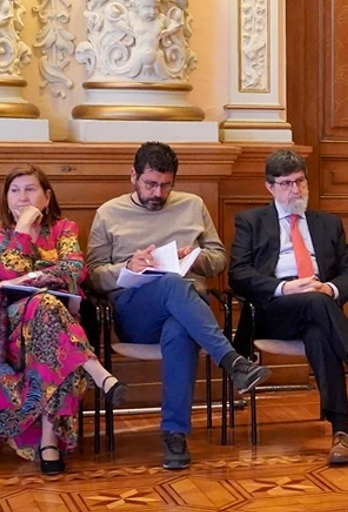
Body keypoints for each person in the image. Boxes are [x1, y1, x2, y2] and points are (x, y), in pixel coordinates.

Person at [87, 141, 270, 470]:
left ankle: (174, 435)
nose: (158, 192)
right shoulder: (108, 213)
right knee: (171, 283)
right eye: (150, 184)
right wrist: (127, 268)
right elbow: (94, 277)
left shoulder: (193, 205)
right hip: (135, 311)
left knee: (179, 329)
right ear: (133, 176)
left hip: (189, 309)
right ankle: (232, 361)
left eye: (166, 185)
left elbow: (218, 261)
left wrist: (195, 257)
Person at [230, 150, 348, 467]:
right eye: (286, 184)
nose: (295, 191)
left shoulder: (327, 224)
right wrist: (285, 286)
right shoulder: (251, 222)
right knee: (316, 302)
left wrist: (330, 288)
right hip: (273, 311)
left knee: (318, 331)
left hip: (318, 311)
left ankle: (342, 434)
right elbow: (238, 274)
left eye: (299, 181)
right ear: (270, 187)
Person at [0, 166, 127, 474]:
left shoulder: (64, 228)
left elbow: (76, 270)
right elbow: (7, 270)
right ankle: (97, 372)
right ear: (6, 198)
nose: (22, 196)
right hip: (12, 329)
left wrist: (32, 276)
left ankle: (48, 441)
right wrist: (22, 228)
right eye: (15, 190)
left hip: (54, 323)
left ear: (46, 197)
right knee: (47, 303)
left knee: (47, 310)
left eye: (30, 189)